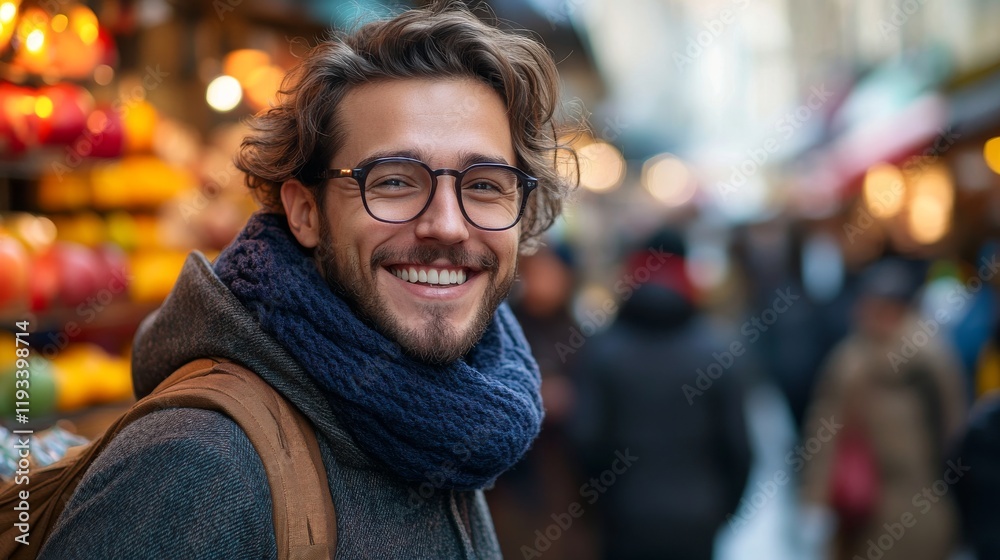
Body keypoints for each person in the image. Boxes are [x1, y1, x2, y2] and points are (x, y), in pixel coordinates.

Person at [39, 3, 575, 558]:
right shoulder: (197, 464)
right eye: (393, 181)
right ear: (305, 213)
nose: (446, 224)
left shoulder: (452, 418)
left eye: (486, 185)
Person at [569, 228, 753, 560]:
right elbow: (739, 448)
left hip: (624, 519)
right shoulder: (718, 350)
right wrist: (721, 511)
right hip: (698, 518)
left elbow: (586, 441)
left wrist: (600, 505)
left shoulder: (603, 350)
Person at [798, 258, 967, 560]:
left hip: (912, 503)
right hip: (868, 505)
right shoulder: (852, 362)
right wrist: (815, 501)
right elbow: (825, 433)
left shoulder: (929, 361)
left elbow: (954, 430)